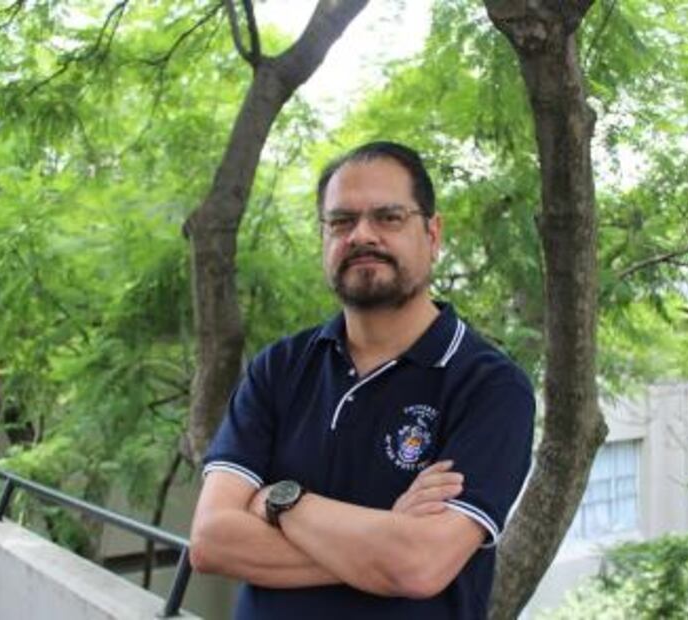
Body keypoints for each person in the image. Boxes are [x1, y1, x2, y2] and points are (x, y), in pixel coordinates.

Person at [189, 141, 535, 619]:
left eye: (389, 218)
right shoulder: (279, 368)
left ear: (433, 234)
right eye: (341, 221)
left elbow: (419, 565)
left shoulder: (491, 388)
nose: (362, 235)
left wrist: (278, 502)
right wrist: (385, 539)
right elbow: (211, 542)